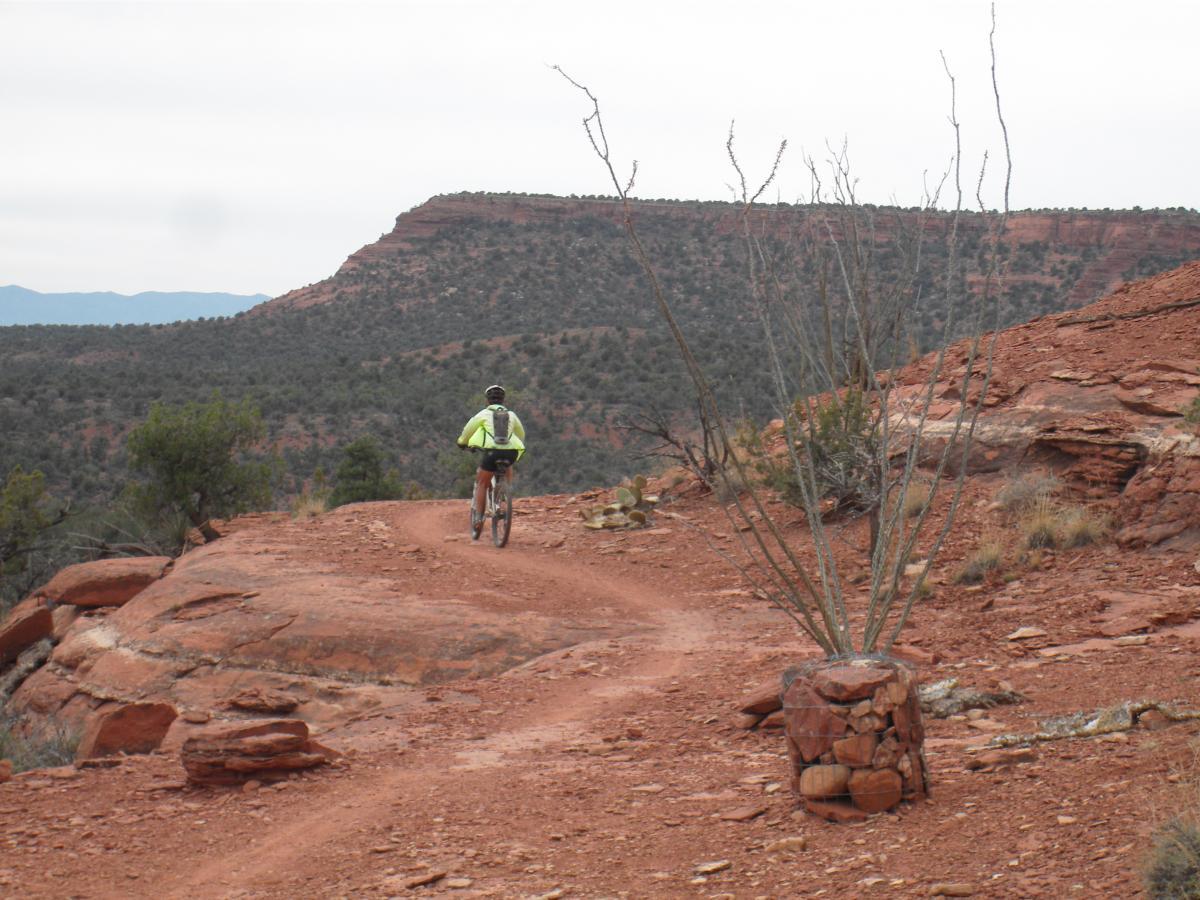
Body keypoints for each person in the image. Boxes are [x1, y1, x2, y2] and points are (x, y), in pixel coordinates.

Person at [456, 385, 526, 534]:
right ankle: (505, 490)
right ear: (503, 400)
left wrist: (462, 442)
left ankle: (479, 519)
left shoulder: (483, 414)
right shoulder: (511, 415)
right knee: (507, 464)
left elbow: (467, 432)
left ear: (487, 401)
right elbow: (521, 434)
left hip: (492, 452)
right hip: (511, 452)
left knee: (482, 482)